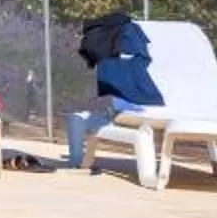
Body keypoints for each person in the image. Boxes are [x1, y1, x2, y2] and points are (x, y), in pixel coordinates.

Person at [68, 12, 164, 168]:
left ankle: (76, 161)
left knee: (79, 118)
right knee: (77, 118)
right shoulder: (121, 63)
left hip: (132, 110)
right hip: (122, 111)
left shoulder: (124, 62)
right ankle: (76, 161)